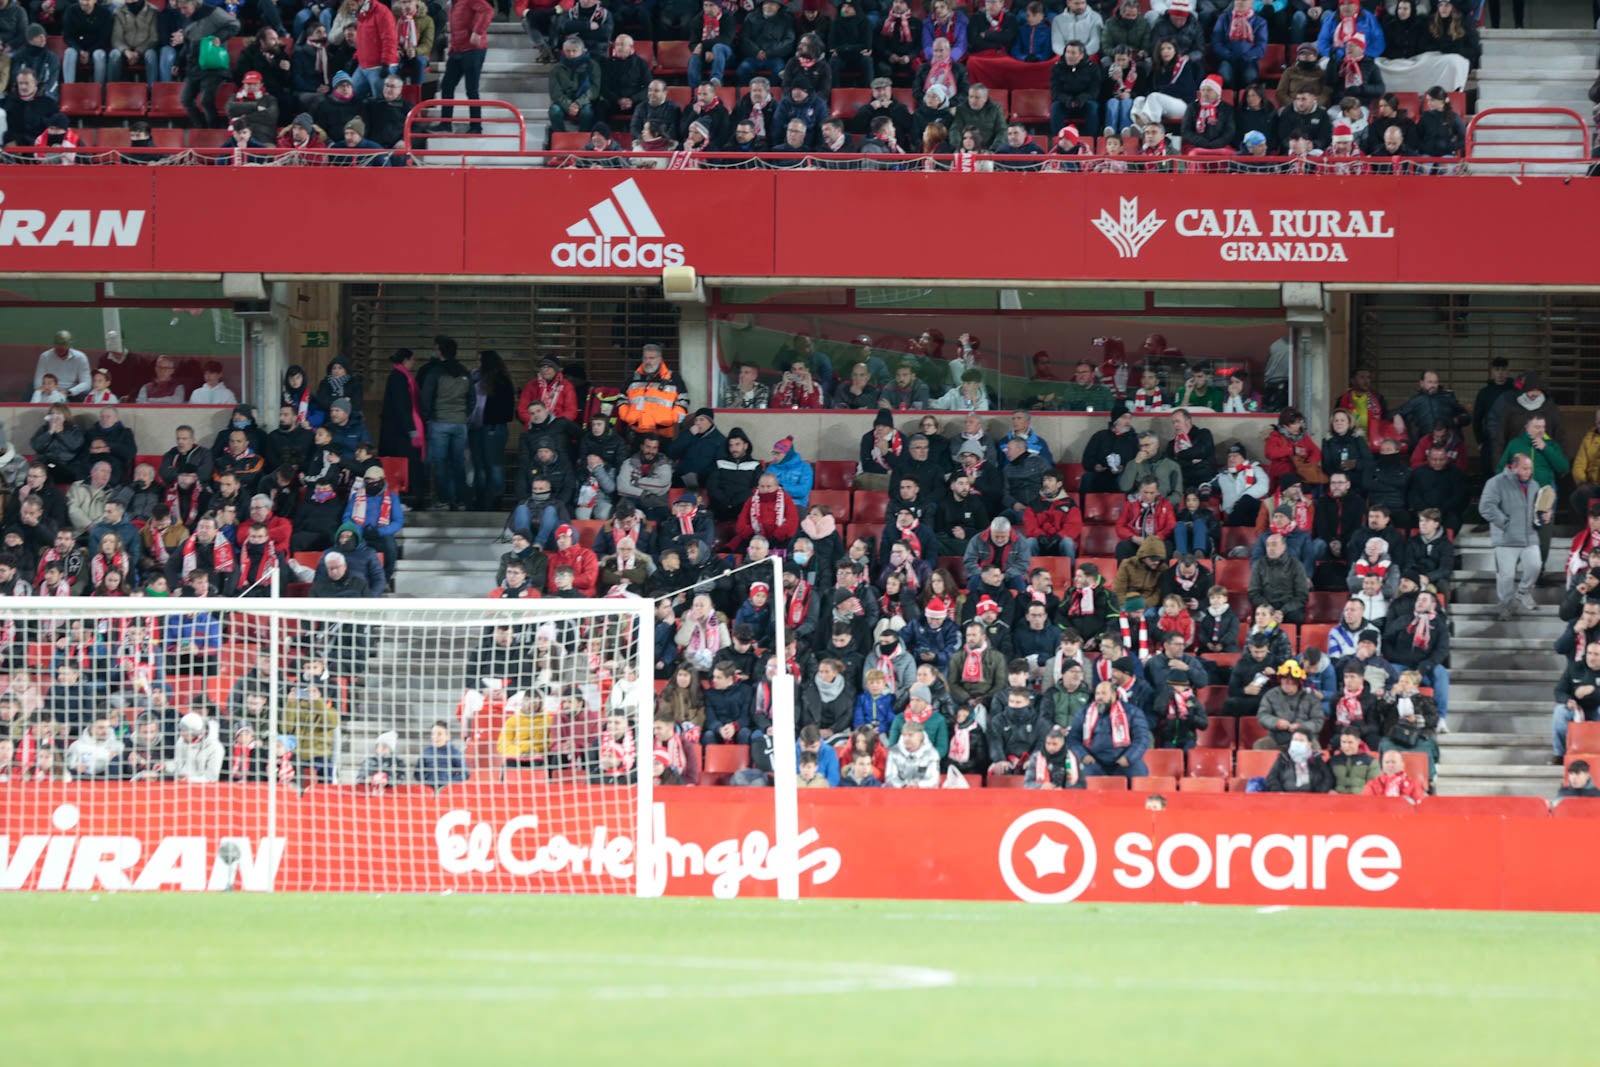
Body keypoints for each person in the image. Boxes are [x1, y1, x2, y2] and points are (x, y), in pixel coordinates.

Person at [1481, 453, 1552, 621]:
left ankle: (1523, 593)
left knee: (1535, 566)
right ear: (1513, 467)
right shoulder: (1496, 483)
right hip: (1506, 539)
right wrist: (1505, 523)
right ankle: (1506, 605)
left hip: (1529, 537)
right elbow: (1485, 507)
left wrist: (1545, 516)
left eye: (1530, 469)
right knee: (1506, 577)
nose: (1528, 472)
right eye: (1525, 468)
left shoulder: (1534, 485)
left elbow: (1538, 510)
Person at [1068, 679, 1150, 779]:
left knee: (1138, 772)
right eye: (1097, 693)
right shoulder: (1084, 713)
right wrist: (1083, 755)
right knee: (1079, 773)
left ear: (1114, 695)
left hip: (1124, 759)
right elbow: (1073, 739)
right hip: (1093, 760)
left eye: (1104, 693)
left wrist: (1128, 757)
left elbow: (1142, 738)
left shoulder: (1132, 712)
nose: (1100, 697)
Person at [440, 0, 491, 133]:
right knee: (446, 85)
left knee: (471, 89)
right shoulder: (452, 4)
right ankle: (445, 124)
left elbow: (488, 10)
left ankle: (476, 126)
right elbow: (455, 29)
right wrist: (452, 48)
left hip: (473, 49)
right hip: (457, 50)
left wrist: (478, 32)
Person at [1552, 640, 1600, 766]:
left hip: (1597, 709)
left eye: (1596, 654)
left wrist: (1594, 690)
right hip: (1577, 709)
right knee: (1560, 711)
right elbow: (1559, 690)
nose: (1592, 657)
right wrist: (1568, 700)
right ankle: (1560, 755)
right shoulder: (1575, 667)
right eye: (1589, 653)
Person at [1262, 728, 1333, 793]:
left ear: (1309, 744)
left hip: (1312, 799)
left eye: (1301, 740)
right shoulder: (1283, 758)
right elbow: (1272, 777)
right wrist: (1279, 792)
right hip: (1285, 799)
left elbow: (1327, 778)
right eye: (1295, 740)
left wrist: (1319, 793)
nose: (1297, 743)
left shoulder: (1316, 758)